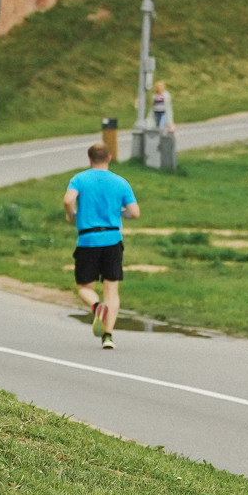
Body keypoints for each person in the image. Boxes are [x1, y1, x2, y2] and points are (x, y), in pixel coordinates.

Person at [62, 141, 139, 350]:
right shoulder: (121, 182)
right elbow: (135, 212)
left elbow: (68, 200)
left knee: (84, 287)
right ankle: (108, 336)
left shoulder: (79, 179)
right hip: (113, 240)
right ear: (109, 158)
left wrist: (71, 215)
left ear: (89, 159)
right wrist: (118, 214)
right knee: (111, 290)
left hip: (87, 239)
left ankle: (97, 308)